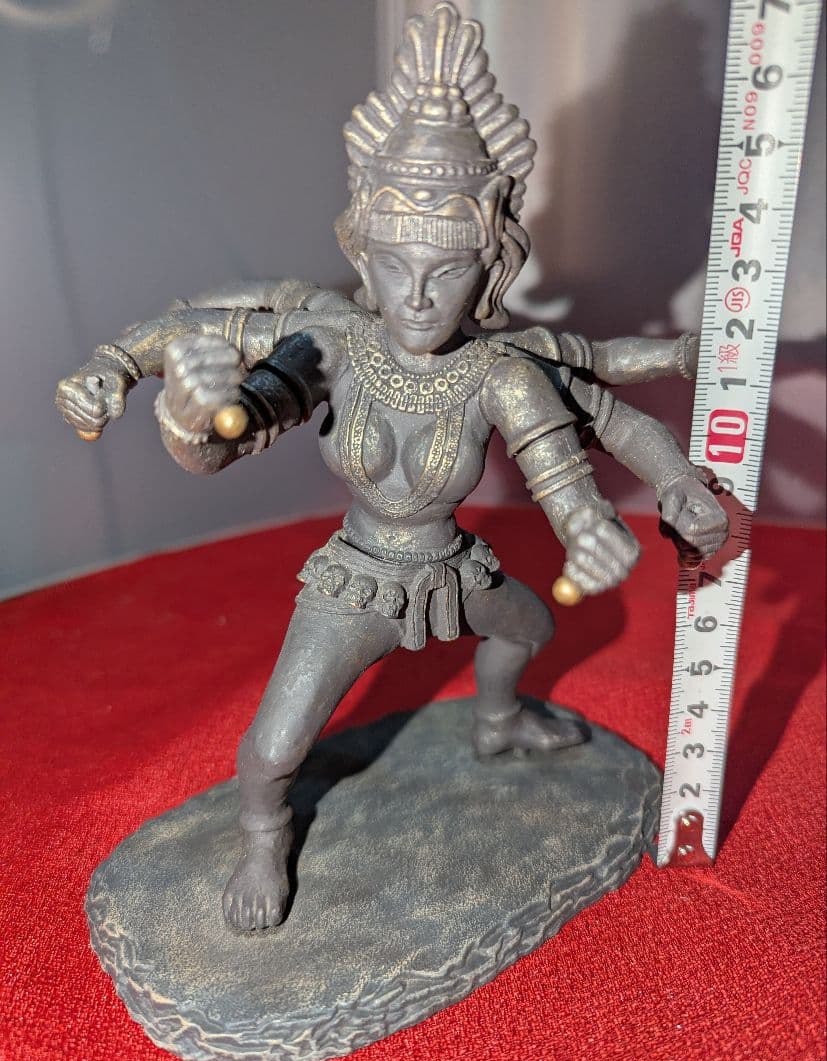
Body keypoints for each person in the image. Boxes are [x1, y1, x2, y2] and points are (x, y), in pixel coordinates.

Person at [55, 2, 727, 932]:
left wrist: (634, 505)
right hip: (355, 579)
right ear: (363, 259)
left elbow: (579, 447)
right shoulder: (331, 343)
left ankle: (497, 721)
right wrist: (167, 402)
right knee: (272, 750)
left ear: (488, 271)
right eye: (395, 266)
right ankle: (263, 838)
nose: (416, 298)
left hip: (452, 567)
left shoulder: (499, 370)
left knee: (529, 628)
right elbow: (222, 421)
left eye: (445, 272)